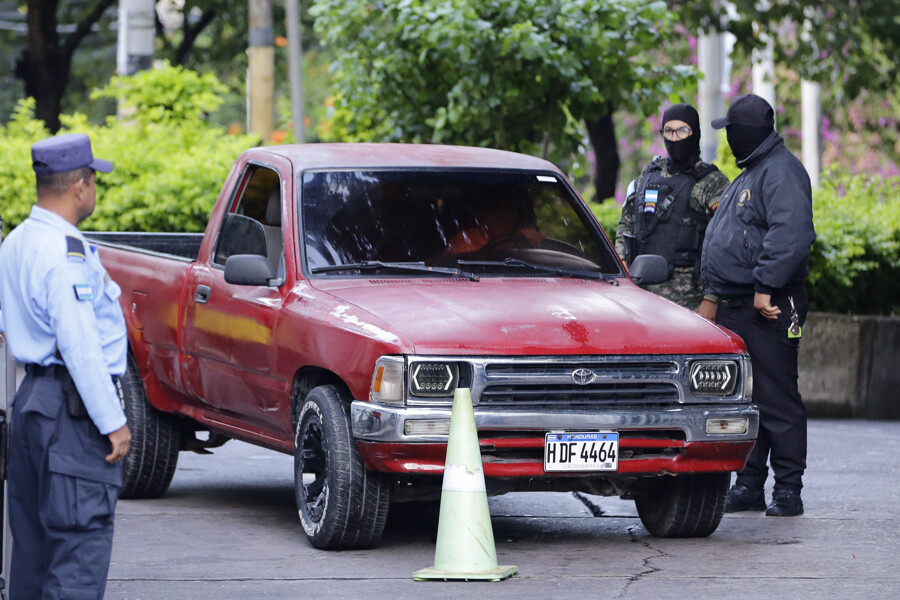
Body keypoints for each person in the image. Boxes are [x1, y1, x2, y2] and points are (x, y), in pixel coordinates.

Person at [0, 133, 132, 598]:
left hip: (33, 402)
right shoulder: (66, 252)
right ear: (80, 185)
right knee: (77, 552)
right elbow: (80, 346)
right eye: (94, 181)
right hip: (70, 412)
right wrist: (112, 422)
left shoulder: (17, 242)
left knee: (33, 555)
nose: (94, 190)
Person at [699, 93, 816, 517]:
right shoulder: (752, 171)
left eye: (730, 130)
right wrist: (712, 296)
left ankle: (788, 489)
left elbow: (792, 236)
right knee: (747, 399)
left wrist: (765, 286)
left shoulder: (781, 172)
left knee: (777, 397)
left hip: (767, 304)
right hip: (736, 303)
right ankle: (750, 484)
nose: (727, 138)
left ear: (743, 132)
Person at [616, 103, 729, 309]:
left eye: (682, 130)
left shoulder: (711, 182)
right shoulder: (649, 175)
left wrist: (711, 299)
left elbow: (724, 244)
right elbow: (626, 222)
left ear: (695, 133)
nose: (675, 138)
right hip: (641, 298)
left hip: (690, 303)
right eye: (669, 131)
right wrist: (622, 262)